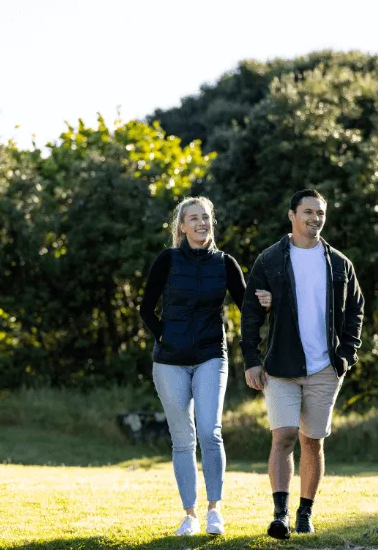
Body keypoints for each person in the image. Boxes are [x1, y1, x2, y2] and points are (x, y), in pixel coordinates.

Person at [240, 189, 365, 539]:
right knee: (284, 436)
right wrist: (251, 360)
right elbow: (250, 314)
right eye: (308, 211)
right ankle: (279, 515)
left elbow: (356, 309)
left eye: (321, 213)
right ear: (292, 215)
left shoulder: (339, 263)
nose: (315, 218)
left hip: (325, 368)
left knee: (313, 441)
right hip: (280, 366)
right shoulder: (270, 260)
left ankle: (304, 513)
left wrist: (346, 354)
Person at [139, 196, 255, 536]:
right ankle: (189, 515)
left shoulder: (225, 263)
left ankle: (214, 510)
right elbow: (147, 308)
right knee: (183, 438)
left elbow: (247, 309)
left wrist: (264, 300)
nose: (201, 223)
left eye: (206, 217)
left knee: (209, 430)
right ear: (182, 226)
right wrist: (166, 338)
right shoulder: (168, 260)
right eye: (194, 218)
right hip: (170, 362)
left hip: (209, 356)